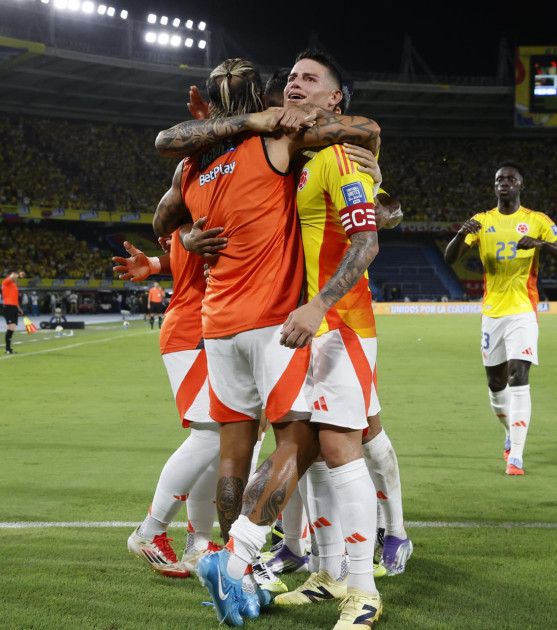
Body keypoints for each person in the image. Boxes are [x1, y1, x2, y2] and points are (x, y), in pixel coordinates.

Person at [153, 57, 380, 627]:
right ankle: (275, 567)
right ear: (263, 99)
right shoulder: (281, 140)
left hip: (254, 322)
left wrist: (183, 232)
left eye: (308, 80)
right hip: (276, 322)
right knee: (308, 445)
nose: (293, 87)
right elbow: (368, 128)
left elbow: (164, 203)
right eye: (287, 81)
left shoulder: (199, 160)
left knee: (254, 455)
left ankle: (264, 562)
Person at [444, 161, 557, 475]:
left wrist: (541, 243)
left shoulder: (536, 220)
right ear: (495, 186)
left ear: (520, 185)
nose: (505, 182)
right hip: (492, 313)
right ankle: (508, 432)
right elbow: (450, 258)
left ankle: (516, 455)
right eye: (499, 178)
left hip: (523, 310)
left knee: (519, 376)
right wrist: (462, 231)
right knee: (495, 384)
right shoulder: (481, 221)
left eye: (511, 178)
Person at [113, 239, 223, 579]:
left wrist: (161, 263)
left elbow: (188, 249)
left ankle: (199, 543)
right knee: (212, 436)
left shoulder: (205, 197)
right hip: (194, 330)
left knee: (218, 443)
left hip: (206, 328)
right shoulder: (201, 192)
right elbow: (177, 222)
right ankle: (150, 531)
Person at [1, 270, 25, 354]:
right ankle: (8, 349)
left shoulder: (14, 286)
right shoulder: (5, 283)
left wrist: (19, 308)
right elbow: (13, 276)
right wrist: (19, 274)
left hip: (14, 307)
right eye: (14, 275)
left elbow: (15, 299)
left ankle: (9, 348)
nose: (16, 277)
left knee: (13, 327)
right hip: (8, 307)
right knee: (11, 326)